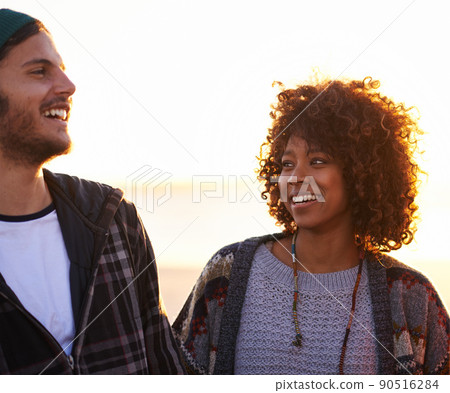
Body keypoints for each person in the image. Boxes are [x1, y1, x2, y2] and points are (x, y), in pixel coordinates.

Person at [173, 76, 450, 375]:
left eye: (317, 161)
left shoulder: (410, 295)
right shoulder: (226, 274)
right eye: (287, 164)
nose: (295, 177)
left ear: (360, 175)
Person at [0, 9, 184, 374]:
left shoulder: (113, 217)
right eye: (40, 71)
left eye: (62, 68)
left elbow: (164, 364)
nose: (68, 85)